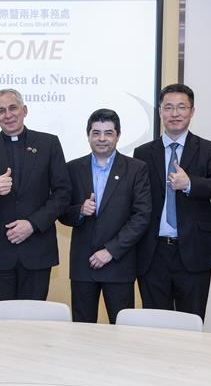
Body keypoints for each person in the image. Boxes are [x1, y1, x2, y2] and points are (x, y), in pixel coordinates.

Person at [133, 83, 211, 320]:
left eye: (181, 107)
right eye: (168, 108)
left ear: (192, 111)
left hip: (194, 251)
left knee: (191, 323)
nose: (174, 114)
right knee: (155, 325)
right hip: (152, 253)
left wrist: (190, 184)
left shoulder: (208, 149)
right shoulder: (143, 152)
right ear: (160, 112)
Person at [0, 89, 71, 311]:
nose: (8, 115)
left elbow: (63, 193)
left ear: (24, 110)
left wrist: (32, 224)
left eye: (13, 108)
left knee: (32, 323)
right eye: (1, 111)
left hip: (36, 251)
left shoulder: (49, 144)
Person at [59, 109, 152, 323]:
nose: (102, 139)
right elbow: (62, 212)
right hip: (83, 265)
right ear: (88, 135)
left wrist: (110, 251)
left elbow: (142, 216)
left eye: (108, 133)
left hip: (119, 264)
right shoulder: (72, 168)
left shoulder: (136, 169)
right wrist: (79, 211)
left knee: (121, 331)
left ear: (118, 136)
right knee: (82, 331)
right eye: (96, 133)